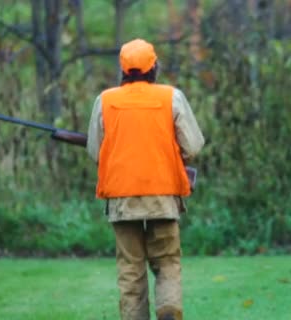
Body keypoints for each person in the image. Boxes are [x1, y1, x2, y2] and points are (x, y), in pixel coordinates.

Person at [86, 38, 204, 320]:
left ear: (123, 70)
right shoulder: (171, 97)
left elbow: (94, 152)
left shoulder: (105, 100)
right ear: (154, 67)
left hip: (122, 198)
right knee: (166, 262)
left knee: (130, 269)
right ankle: (168, 310)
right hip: (163, 195)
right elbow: (193, 146)